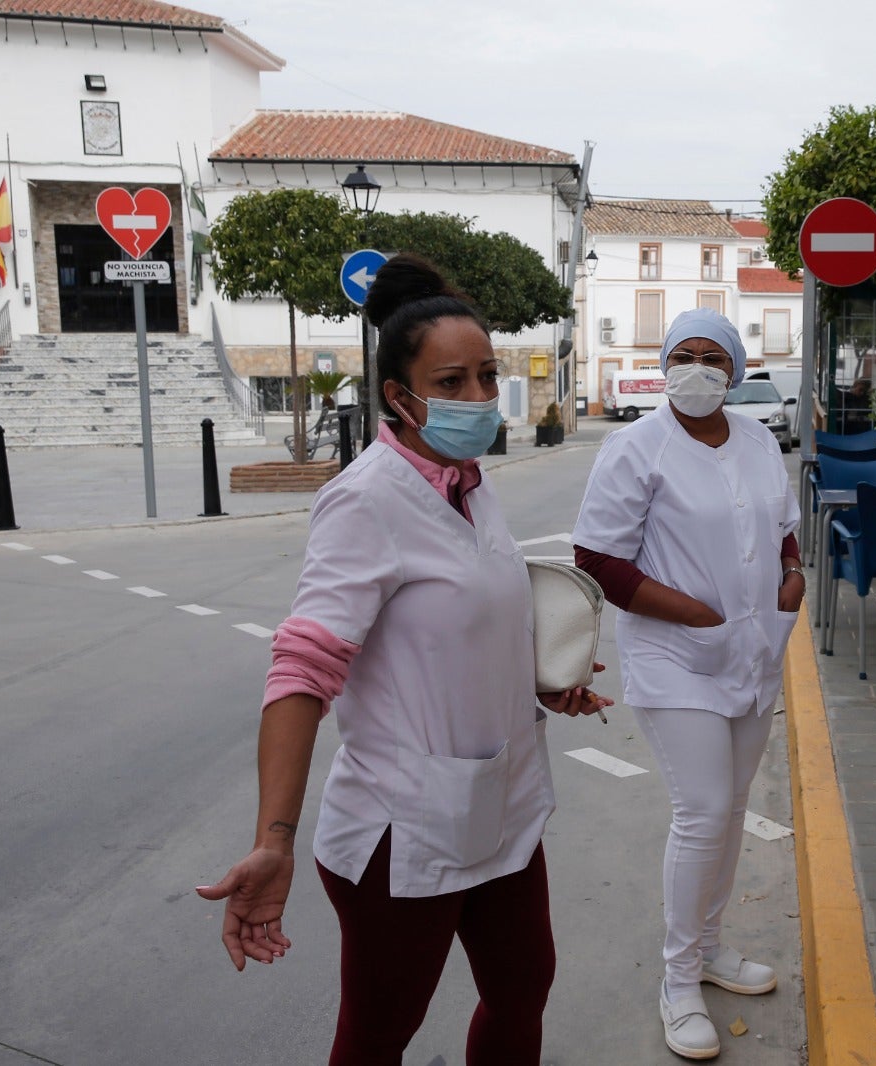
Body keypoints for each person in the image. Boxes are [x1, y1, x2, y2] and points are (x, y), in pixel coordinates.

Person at [195, 254, 610, 1066]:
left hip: (499, 804)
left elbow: (458, 624)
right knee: (381, 1033)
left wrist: (537, 681)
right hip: (404, 829)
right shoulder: (366, 499)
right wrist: (273, 839)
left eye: (488, 377)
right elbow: (302, 669)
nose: (480, 399)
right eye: (451, 383)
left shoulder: (469, 482)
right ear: (399, 396)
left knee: (523, 989)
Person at [571, 308, 803, 1060]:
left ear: (735, 371)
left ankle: (708, 949)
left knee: (732, 810)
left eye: (713, 357)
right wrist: (693, 612)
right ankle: (677, 981)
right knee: (702, 810)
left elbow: (782, 527)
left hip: (756, 651)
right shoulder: (635, 447)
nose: (697, 369)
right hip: (676, 656)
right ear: (664, 364)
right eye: (684, 355)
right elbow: (598, 559)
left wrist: (793, 574)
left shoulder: (762, 440)